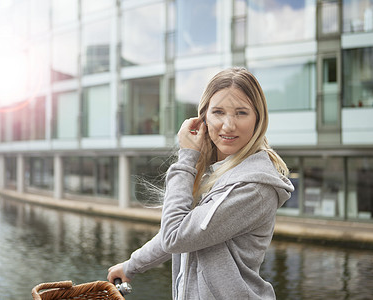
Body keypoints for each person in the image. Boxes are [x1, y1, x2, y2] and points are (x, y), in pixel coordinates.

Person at [107, 67, 294, 299]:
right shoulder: (220, 172)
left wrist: (186, 157)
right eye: (218, 112)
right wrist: (131, 265)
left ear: (258, 118)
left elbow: (175, 236)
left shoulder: (253, 188)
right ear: (203, 117)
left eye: (241, 113)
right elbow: (184, 230)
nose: (228, 125)